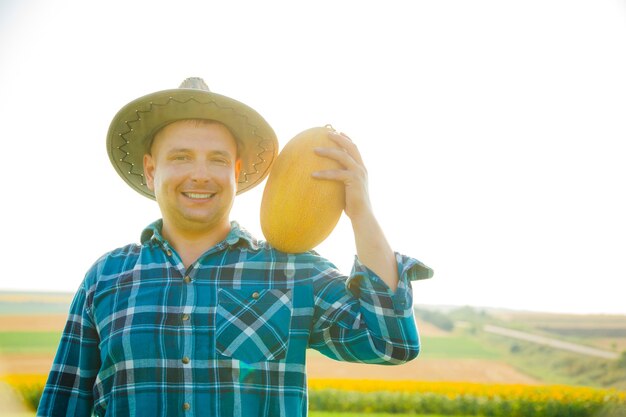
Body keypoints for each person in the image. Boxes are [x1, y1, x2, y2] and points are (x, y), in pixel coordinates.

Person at [37, 77, 433, 417]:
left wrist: (361, 212)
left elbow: (392, 343)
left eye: (217, 159)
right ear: (151, 169)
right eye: (181, 157)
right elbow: (63, 403)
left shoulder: (291, 270)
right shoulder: (106, 277)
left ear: (236, 172)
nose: (200, 174)